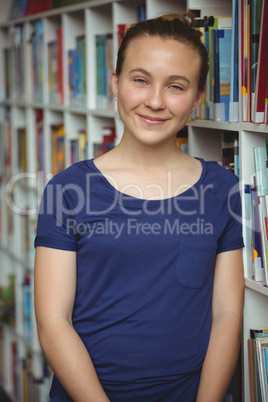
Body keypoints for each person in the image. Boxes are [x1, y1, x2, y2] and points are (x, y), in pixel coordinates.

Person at [34, 12, 244, 402]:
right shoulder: (67, 190)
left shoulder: (221, 189)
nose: (154, 101)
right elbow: (52, 320)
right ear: (116, 82)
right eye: (140, 80)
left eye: (176, 86)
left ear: (198, 96)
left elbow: (227, 314)